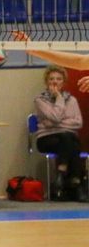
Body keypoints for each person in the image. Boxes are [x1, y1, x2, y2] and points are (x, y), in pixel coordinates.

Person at [33, 65, 86, 201]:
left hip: (65, 139)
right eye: (51, 79)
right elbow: (56, 117)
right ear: (46, 82)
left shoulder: (72, 100)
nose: (55, 82)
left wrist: (54, 123)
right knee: (71, 140)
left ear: (64, 82)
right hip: (46, 139)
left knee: (68, 138)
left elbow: (78, 122)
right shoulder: (40, 100)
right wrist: (58, 98)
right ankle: (77, 184)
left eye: (58, 79)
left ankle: (62, 175)